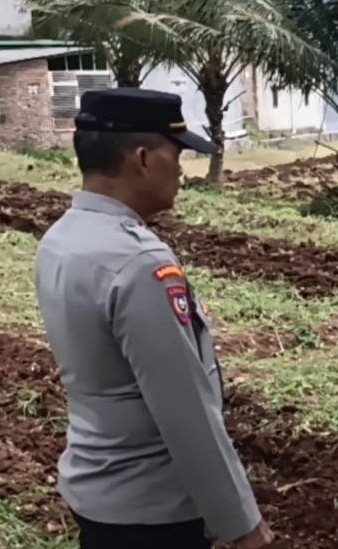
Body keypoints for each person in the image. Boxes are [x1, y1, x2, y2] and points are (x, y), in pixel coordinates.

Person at [34, 88, 273, 549]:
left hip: (98, 486)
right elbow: (184, 410)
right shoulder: (139, 263)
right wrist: (241, 522)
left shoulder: (61, 239)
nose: (181, 170)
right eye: (176, 154)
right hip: (153, 510)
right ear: (142, 158)